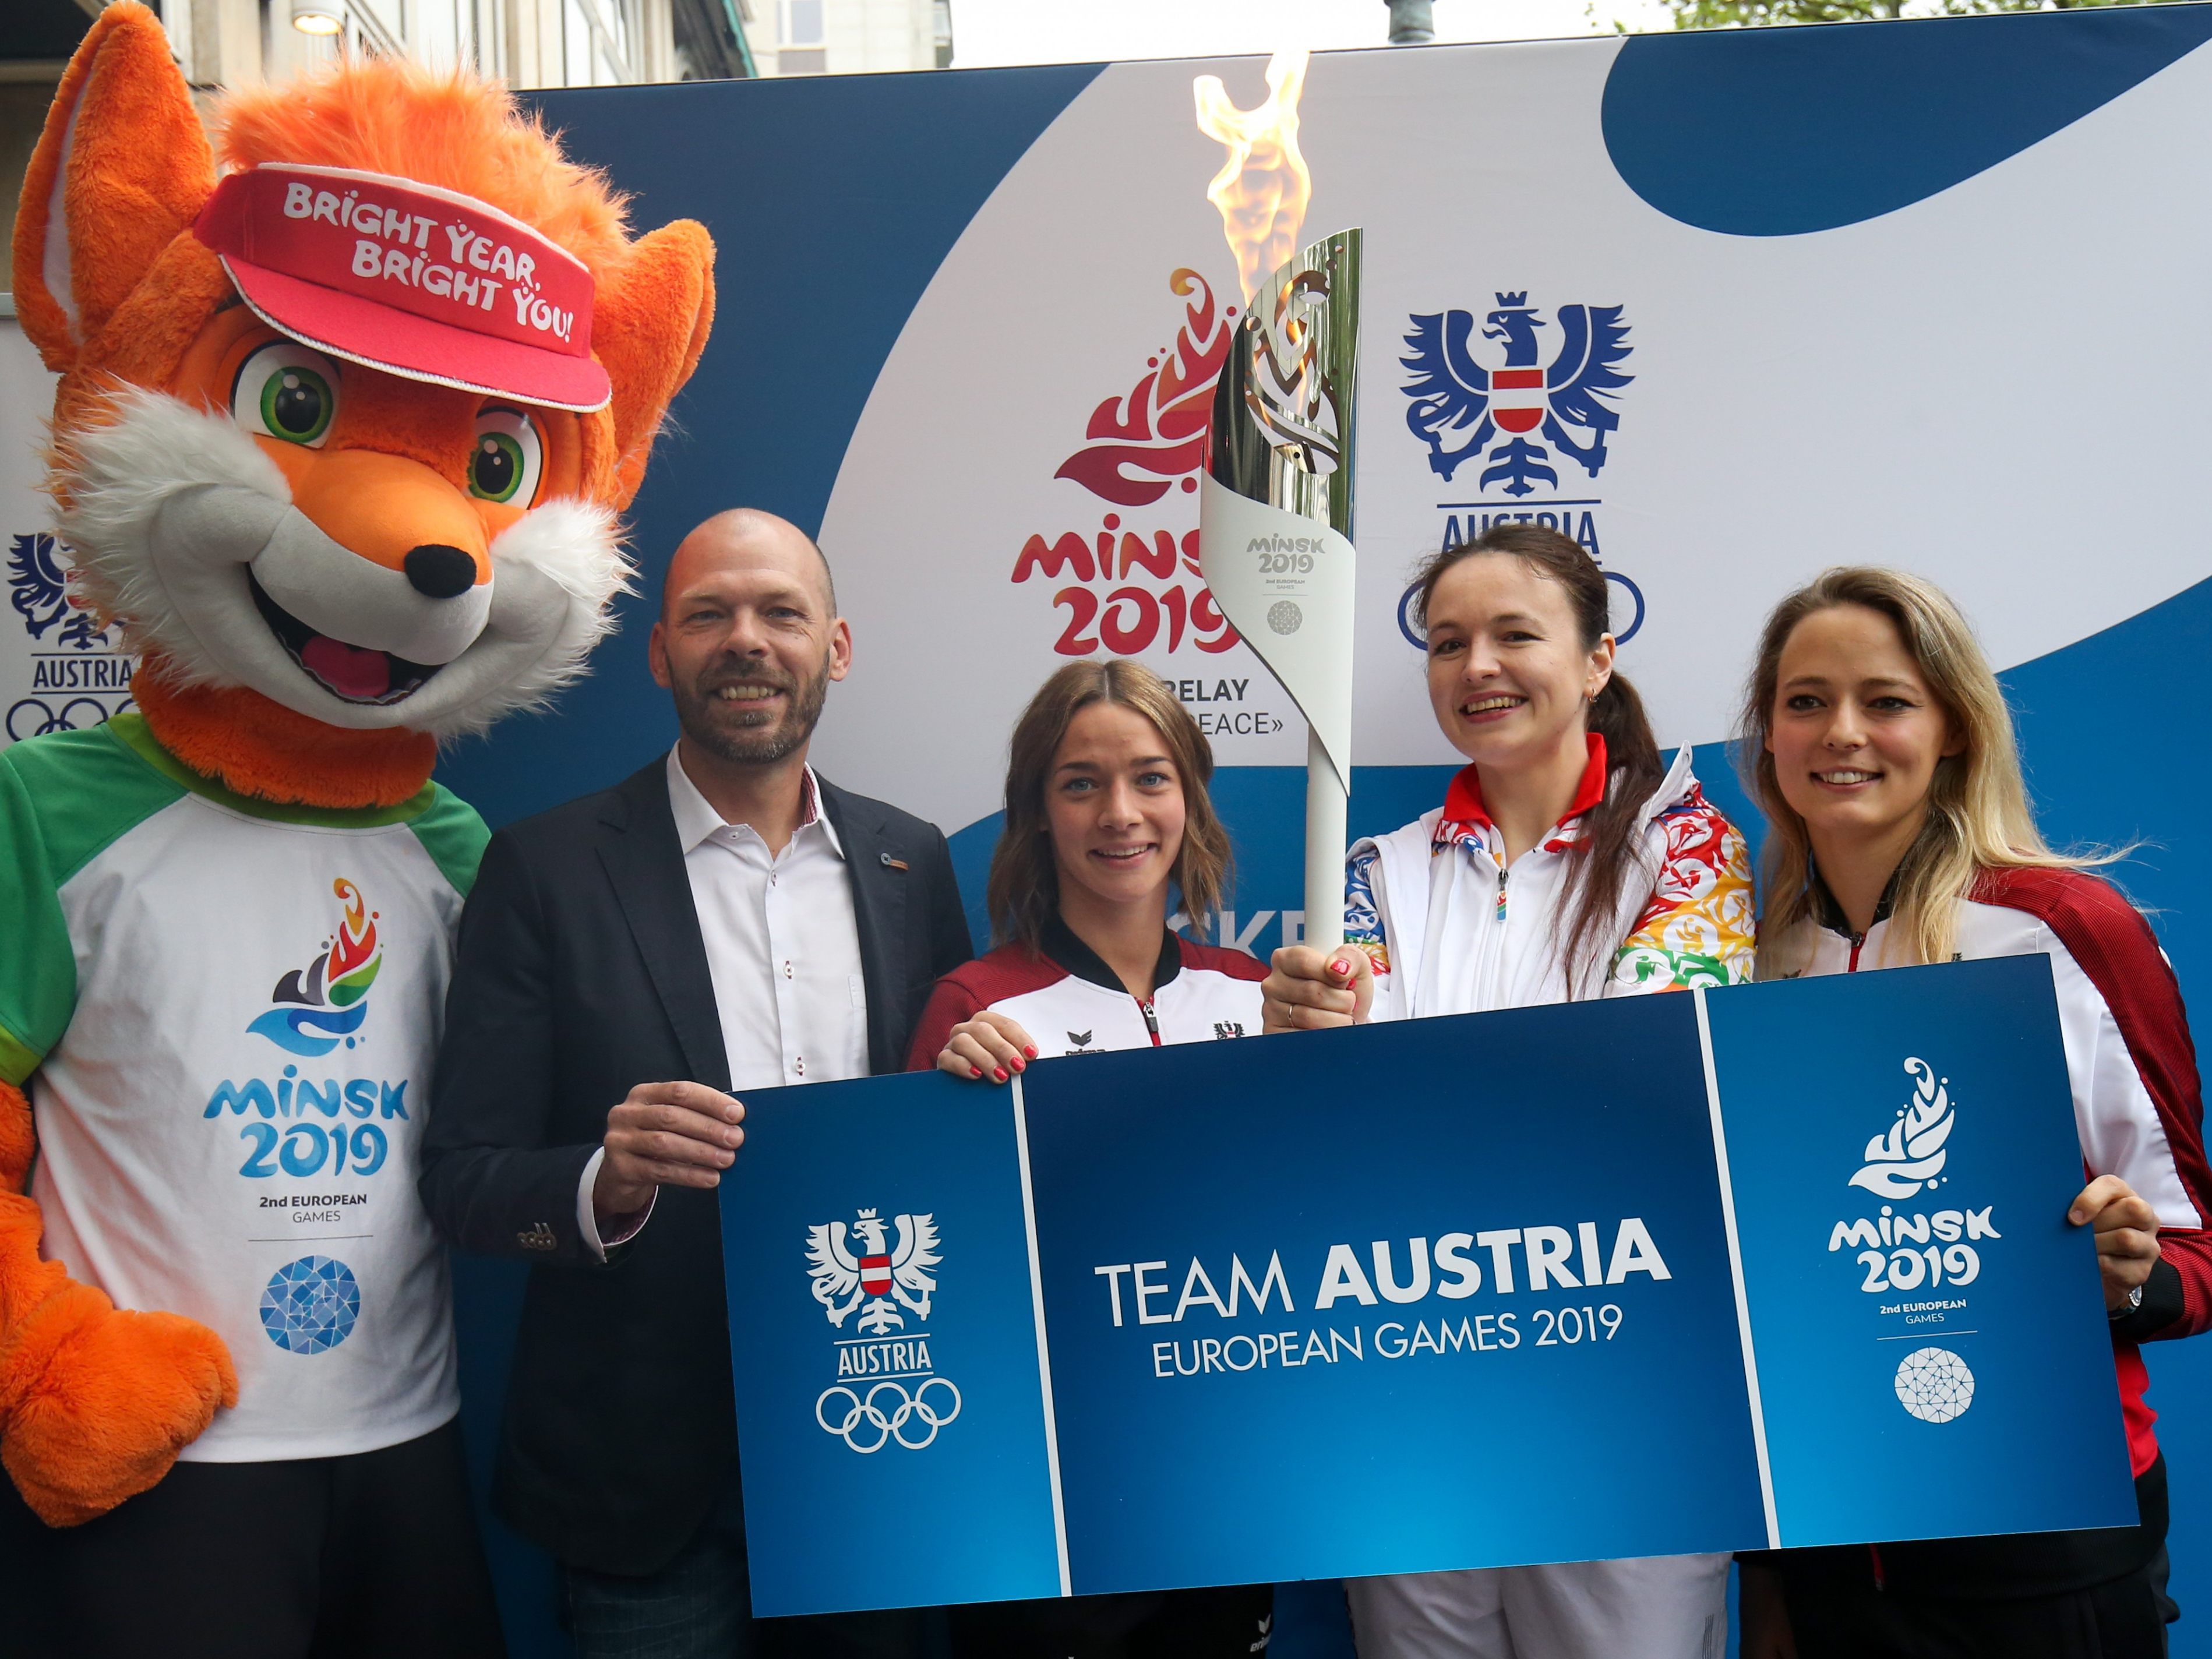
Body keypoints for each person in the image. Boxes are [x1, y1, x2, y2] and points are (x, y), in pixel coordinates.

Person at [418, 509, 972, 1659]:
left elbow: (946, 1154)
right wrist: (601, 1181)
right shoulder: (543, 868)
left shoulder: (910, 860)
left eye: (781, 611)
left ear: (838, 645)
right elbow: (464, 1177)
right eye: (711, 613)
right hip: (643, 1484)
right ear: (660, 649)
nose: (747, 640)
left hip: (879, 1446)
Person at [1261, 523, 1755, 1659]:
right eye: (1446, 642)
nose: (1475, 664)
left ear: (1597, 658)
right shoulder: (1375, 870)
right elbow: (1341, 1110)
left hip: (1622, 1383)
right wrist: (1294, 1031)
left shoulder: (1687, 850)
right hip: (1413, 1382)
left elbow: (1635, 1089)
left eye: (1513, 634)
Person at [1730, 567, 2212, 1659]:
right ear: (1766, 734)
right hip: (1829, 1535)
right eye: (1804, 701)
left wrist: (2120, 1280)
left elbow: (2197, 1250)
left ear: (1951, 727)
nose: (1840, 732)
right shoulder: (1757, 960)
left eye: (1885, 700)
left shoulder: (2064, 928)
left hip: (2041, 1540)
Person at [907, 658, 1276, 1658]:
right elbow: (930, 1277)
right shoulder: (977, 1008)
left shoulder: (1252, 993)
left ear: (1190, 801)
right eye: (1080, 783)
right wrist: (949, 1111)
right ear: (1036, 814)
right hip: (1048, 1511)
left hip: (1227, 1492)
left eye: (1150, 778)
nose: (1120, 813)